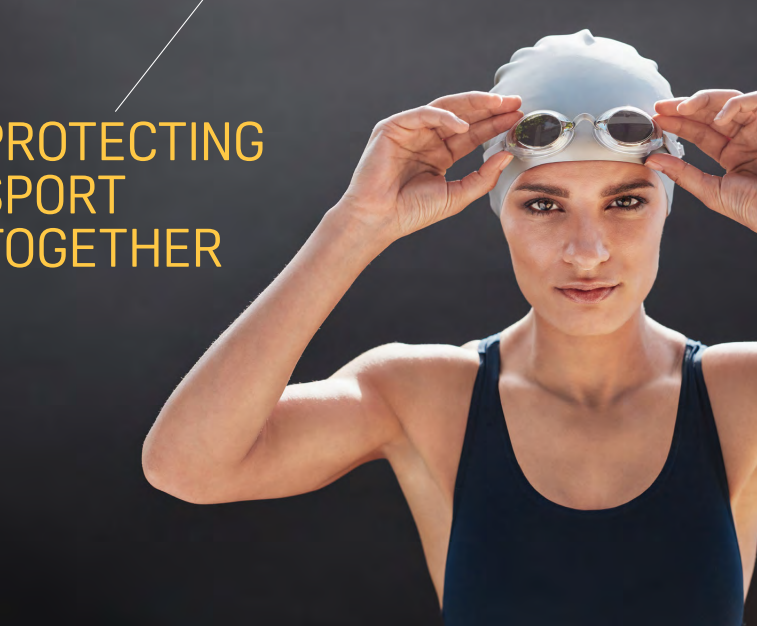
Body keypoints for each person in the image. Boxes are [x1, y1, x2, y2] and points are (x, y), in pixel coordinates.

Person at [141, 29, 757, 625]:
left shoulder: (742, 394)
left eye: (626, 202)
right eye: (543, 204)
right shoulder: (423, 394)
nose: (587, 251)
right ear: (499, 210)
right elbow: (189, 467)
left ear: (670, 204)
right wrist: (358, 225)